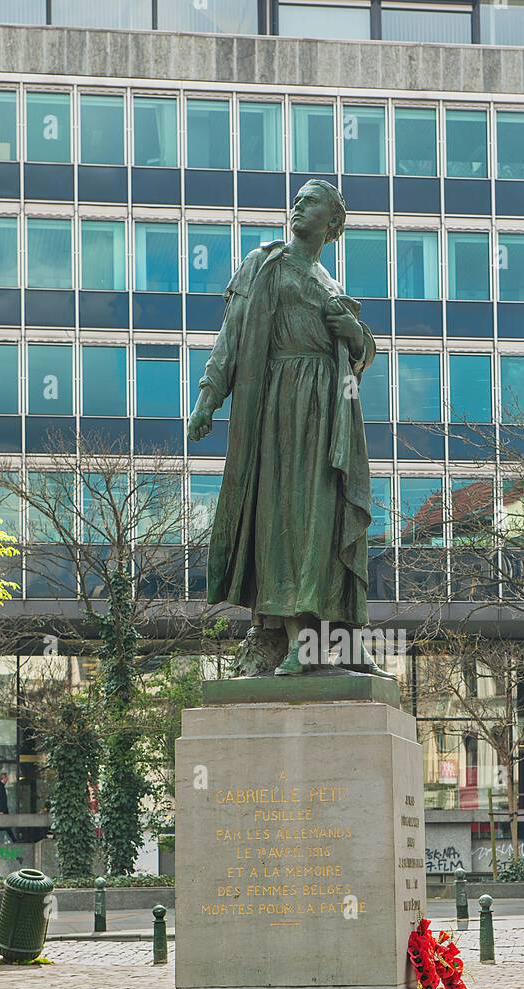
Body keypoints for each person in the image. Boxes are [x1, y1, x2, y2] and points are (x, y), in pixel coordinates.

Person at [187, 179, 379, 677]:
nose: (298, 205)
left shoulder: (331, 284)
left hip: (332, 411)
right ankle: (300, 638)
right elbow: (231, 338)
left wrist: (354, 334)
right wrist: (208, 399)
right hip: (280, 406)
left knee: (327, 517)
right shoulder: (265, 263)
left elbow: (361, 354)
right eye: (297, 199)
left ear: (334, 223)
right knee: (286, 521)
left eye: (311, 201)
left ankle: (345, 641)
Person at [0, 772, 18, 844]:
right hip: (0, 812)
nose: (7, 779)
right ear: (3, 778)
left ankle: (14, 839)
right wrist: (0, 811)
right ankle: (14, 840)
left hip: (0, 812)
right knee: (0, 826)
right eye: (6, 778)